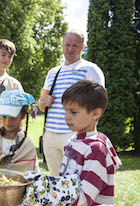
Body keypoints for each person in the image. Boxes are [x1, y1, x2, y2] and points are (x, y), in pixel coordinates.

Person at [23, 80, 122, 206]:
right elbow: (65, 183)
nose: (66, 117)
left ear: (95, 113)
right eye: (66, 111)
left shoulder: (96, 149)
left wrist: (44, 191)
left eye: (73, 112)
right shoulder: (73, 141)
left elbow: (83, 199)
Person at [38, 29, 105, 176]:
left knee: (77, 180)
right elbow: (41, 105)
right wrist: (43, 101)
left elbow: (99, 103)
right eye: (67, 44)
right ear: (62, 45)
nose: (70, 49)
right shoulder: (53, 72)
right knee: (57, 182)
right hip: (50, 135)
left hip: (74, 134)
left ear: (82, 47)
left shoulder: (90, 69)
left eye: (75, 45)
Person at [0, 90, 39, 172]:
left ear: (22, 115)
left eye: (13, 117)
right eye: (4, 117)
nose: (8, 122)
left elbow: (31, 170)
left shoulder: (26, 144)